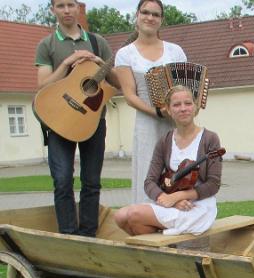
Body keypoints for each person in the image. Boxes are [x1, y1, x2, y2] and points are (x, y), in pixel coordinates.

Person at [35, 0, 119, 237]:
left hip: (92, 120)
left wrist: (101, 63)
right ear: (52, 10)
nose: (67, 10)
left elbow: (117, 83)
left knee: (91, 182)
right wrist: (67, 63)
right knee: (62, 181)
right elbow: (42, 86)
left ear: (78, 8)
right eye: (60, 6)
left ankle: (89, 237)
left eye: (71, 5)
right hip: (59, 122)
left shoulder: (97, 42)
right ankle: (69, 237)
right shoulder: (46, 44)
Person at [114, 85, 221, 236]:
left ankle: (158, 253)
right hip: (172, 204)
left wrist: (179, 196)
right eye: (176, 105)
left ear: (195, 107)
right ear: (169, 110)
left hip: (198, 207)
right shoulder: (165, 141)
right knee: (119, 217)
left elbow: (213, 184)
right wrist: (166, 198)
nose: (183, 108)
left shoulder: (210, 138)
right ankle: (161, 252)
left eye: (188, 103)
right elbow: (149, 181)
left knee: (134, 215)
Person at [115, 0, 187, 203]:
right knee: (149, 168)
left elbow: (185, 89)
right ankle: (147, 218)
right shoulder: (125, 54)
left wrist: (177, 111)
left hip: (175, 123)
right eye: (145, 12)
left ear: (161, 20)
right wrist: (156, 112)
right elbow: (129, 96)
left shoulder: (175, 51)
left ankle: (178, 216)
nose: (150, 17)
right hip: (147, 123)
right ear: (137, 15)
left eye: (156, 14)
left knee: (179, 166)